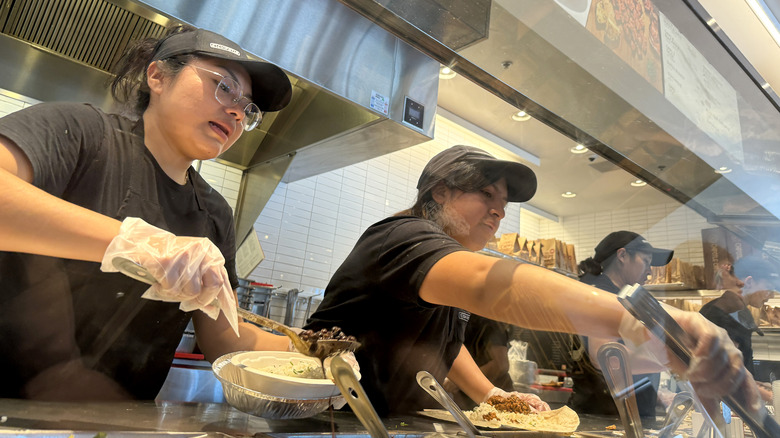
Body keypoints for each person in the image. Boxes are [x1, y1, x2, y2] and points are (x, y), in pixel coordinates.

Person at [304, 145, 758, 417]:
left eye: (504, 201)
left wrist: (492, 394)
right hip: (324, 419)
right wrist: (645, 322)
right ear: (439, 192)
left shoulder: (437, 264)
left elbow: (444, 340)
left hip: (380, 419)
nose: (500, 209)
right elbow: (490, 283)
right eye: (486, 194)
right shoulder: (402, 237)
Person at [0, 26, 295, 400]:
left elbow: (221, 335)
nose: (237, 111)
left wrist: (310, 355)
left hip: (121, 422)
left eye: (248, 108)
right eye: (224, 86)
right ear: (157, 76)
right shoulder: (81, 133)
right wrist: (139, 244)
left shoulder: (214, 213)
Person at [568, 231, 673, 418]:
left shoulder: (624, 299)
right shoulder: (602, 296)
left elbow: (628, 372)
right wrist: (674, 361)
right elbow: (607, 356)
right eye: (646, 262)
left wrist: (655, 396)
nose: (650, 271)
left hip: (623, 417)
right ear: (622, 255)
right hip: (604, 419)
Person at [700, 255, 779, 401]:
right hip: (723, 406)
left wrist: (755, 385)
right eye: (768, 288)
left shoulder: (737, 312)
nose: (771, 296)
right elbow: (721, 374)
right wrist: (768, 396)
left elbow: (737, 365)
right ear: (749, 282)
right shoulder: (721, 315)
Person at [446, 314, 514, 409]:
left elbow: (501, 365)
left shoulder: (488, 319)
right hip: (470, 397)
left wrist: (458, 381)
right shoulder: (457, 316)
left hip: (496, 397)